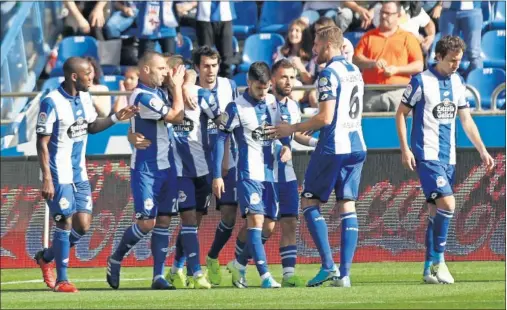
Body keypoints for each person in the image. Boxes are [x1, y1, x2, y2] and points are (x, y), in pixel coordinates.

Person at [395, 35, 495, 284]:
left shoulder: (459, 82)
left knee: (435, 212)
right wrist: (405, 148)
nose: (456, 65)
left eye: (459, 60)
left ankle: (429, 268)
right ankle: (440, 262)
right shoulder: (420, 82)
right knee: (448, 204)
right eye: (452, 60)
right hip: (426, 155)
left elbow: (466, 120)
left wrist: (482, 150)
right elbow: (400, 114)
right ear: (438, 57)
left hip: (448, 156)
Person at [273, 26, 367, 288]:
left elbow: (326, 117)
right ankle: (345, 275)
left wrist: (290, 128)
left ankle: (328, 265)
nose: (313, 49)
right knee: (347, 205)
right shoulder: (354, 71)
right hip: (357, 144)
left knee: (309, 203)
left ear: (327, 45)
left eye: (316, 44)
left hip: (333, 146)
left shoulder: (328, 73)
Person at [34, 57, 137, 293]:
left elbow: (91, 126)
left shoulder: (84, 97)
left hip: (79, 172)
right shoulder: (51, 102)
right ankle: (62, 280)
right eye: (88, 74)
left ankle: (46, 257)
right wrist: (47, 177)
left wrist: (115, 117)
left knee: (82, 225)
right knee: (64, 220)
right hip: (58, 174)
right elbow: (42, 143)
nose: (92, 77)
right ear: (74, 76)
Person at [231, 59, 318, 288]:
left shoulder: (288, 106)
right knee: (261, 223)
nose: (288, 81)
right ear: (273, 79)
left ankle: (287, 273)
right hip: (260, 171)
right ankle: (245, 265)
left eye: (292, 77)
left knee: (288, 221)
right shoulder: (256, 104)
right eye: (284, 77)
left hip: (283, 173)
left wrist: (295, 145)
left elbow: (289, 132)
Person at [106, 51, 185, 290]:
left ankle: (158, 277)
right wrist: (178, 87)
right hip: (146, 169)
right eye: (161, 69)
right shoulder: (143, 96)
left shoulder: (157, 92)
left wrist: (175, 81)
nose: (165, 73)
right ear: (147, 70)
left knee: (163, 220)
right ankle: (116, 257)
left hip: (167, 167)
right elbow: (176, 117)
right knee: (147, 223)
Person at [213, 61, 291, 289]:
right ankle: (265, 275)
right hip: (248, 173)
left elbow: (281, 128)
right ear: (248, 83)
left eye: (266, 88)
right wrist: (217, 174)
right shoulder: (235, 108)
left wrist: (286, 145)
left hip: (270, 173)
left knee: (268, 226)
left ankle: (238, 263)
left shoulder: (272, 102)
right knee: (255, 221)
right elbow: (220, 138)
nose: (263, 93)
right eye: (259, 88)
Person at [167, 46, 239, 288]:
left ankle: (178, 268)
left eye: (214, 65)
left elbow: (224, 123)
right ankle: (196, 273)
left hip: (209, 166)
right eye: (205, 65)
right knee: (188, 219)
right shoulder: (160, 97)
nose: (210, 70)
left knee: (195, 221)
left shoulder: (211, 93)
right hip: (179, 170)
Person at [353, 1, 424, 112]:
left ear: (398, 15)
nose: (383, 16)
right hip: (371, 92)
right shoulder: (368, 36)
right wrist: (372, 63)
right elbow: (356, 59)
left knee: (401, 127)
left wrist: (397, 70)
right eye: (382, 12)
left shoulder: (407, 37)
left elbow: (419, 65)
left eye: (388, 13)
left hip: (399, 92)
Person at [439, 1, 483, 76]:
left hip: (472, 10)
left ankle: (476, 81)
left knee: (474, 52)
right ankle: (447, 82)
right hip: (448, 9)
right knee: (446, 50)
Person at [196, 1, 236, 78]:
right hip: (204, 17)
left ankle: (227, 85)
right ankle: (206, 86)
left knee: (226, 58)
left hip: (225, 17)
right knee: (206, 56)